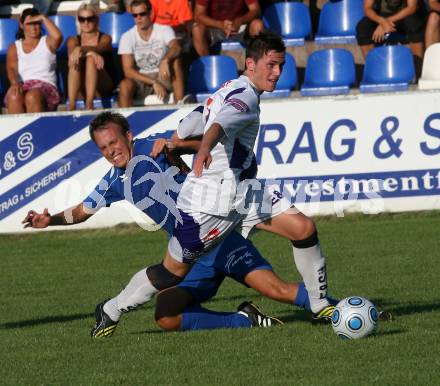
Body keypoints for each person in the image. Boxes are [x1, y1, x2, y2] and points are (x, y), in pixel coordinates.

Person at [91, 33, 334, 336]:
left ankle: (321, 304)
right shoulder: (243, 96)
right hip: (210, 204)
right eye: (271, 65)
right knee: (169, 273)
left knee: (303, 229)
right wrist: (205, 147)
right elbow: (218, 125)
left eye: (281, 65)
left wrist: (178, 143)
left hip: (240, 191)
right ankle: (111, 309)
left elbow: (190, 124)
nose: (277, 72)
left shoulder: (227, 89)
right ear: (251, 64)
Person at [21, 111, 332, 337]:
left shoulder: (158, 148)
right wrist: (50, 222)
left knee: (277, 289)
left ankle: (343, 308)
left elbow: (210, 144)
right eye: (103, 147)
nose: (110, 150)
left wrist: (178, 147)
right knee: (165, 316)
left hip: (222, 239)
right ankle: (244, 319)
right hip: (190, 257)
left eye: (114, 142)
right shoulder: (113, 182)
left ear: (128, 136)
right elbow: (82, 211)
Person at [118, 0, 187, 106]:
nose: (138, 18)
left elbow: (176, 47)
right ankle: (122, 121)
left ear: (151, 13)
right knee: (124, 85)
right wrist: (153, 82)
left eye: (142, 14)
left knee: (176, 60)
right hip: (142, 79)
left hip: (163, 75)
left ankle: (181, 105)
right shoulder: (127, 36)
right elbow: (128, 71)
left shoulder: (164, 29)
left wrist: (165, 60)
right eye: (135, 15)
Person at [5, 8, 63, 114]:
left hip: (46, 86)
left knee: (32, 95)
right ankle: (19, 130)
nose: (34, 27)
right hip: (23, 85)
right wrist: (15, 83)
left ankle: (37, 130)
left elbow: (58, 36)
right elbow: (11, 68)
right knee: (14, 95)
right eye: (29, 24)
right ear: (22, 25)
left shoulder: (47, 41)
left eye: (36, 23)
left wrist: (43, 17)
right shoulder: (14, 47)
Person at [67, 3, 114, 111]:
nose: (86, 22)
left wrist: (83, 50)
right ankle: (72, 106)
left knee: (91, 60)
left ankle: (89, 104)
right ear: (78, 20)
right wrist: (88, 52)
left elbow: (100, 47)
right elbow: (71, 58)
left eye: (90, 19)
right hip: (81, 86)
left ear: (96, 20)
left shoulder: (106, 38)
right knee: (75, 60)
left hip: (103, 85)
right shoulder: (73, 40)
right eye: (82, 19)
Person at [356, 0, 426, 60]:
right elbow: (367, 9)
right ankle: (373, 65)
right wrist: (382, 21)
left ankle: (417, 65)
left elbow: (411, 8)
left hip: (404, 15)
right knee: (363, 26)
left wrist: (386, 22)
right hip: (382, 17)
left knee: (414, 22)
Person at [192, 0, 265, 57]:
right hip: (214, 27)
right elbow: (198, 15)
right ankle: (208, 66)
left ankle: (257, 64)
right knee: (197, 30)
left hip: (241, 26)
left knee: (257, 25)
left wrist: (240, 21)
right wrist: (220, 24)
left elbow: (256, 10)